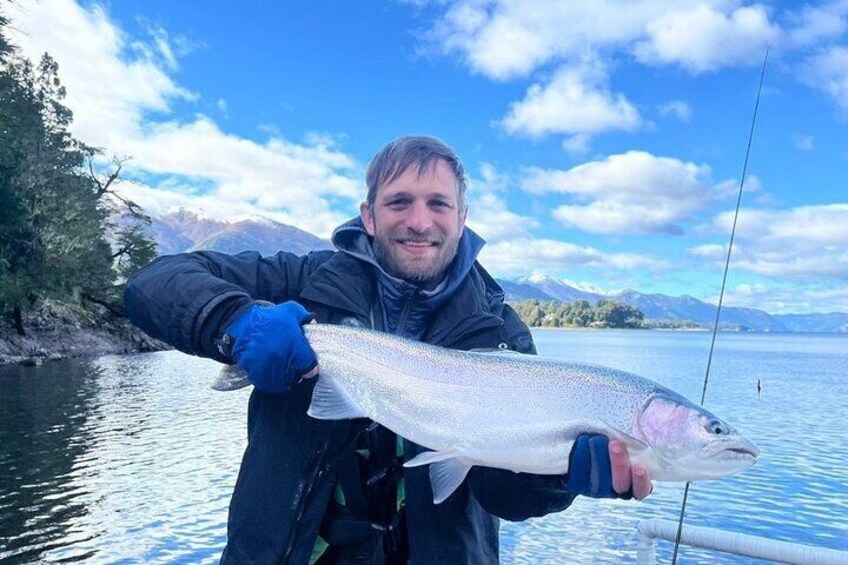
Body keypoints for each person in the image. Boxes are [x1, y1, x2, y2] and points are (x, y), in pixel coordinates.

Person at [124, 135, 653, 564]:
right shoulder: (300, 280)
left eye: (438, 204)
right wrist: (233, 320)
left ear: (462, 217)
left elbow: (503, 496)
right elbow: (154, 282)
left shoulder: (501, 334)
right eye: (399, 201)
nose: (419, 222)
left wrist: (558, 474)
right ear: (369, 216)